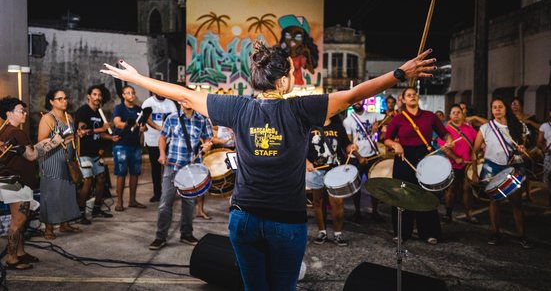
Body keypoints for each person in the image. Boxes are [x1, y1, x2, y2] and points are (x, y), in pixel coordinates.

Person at [101, 41, 436, 290]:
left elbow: (183, 95)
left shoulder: (237, 108)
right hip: (285, 223)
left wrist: (138, 77)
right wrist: (399, 74)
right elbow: (353, 95)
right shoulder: (301, 110)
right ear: (283, 80)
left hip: (243, 219)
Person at [0, 96, 66, 270]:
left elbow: (26, 151)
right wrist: (54, 143)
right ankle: (11, 258)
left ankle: (20, 252)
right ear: (9, 114)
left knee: (22, 220)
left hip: (13, 181)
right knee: (18, 221)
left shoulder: (5, 131)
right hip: (15, 182)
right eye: (21, 111)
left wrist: (43, 143)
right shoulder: (17, 133)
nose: (25, 113)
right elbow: (31, 156)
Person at [384, 87, 453, 245]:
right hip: (404, 158)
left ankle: (429, 233)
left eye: (414, 94)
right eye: (409, 95)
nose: (412, 97)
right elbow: (387, 139)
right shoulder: (398, 119)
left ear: (418, 97)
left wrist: (449, 140)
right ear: (403, 100)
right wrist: (395, 144)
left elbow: (444, 133)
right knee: (402, 195)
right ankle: (402, 232)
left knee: (426, 195)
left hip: (425, 157)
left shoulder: (430, 117)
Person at [148, 100, 213, 250]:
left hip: (191, 167)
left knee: (189, 203)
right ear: (179, 100)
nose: (187, 102)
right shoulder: (172, 118)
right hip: (172, 165)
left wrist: (208, 144)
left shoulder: (202, 119)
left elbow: (208, 139)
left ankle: (186, 234)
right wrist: (162, 154)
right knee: (165, 203)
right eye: (184, 99)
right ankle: (160, 237)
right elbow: (163, 137)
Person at [471, 98, 532, 248]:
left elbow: (524, 148)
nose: (497, 109)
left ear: (506, 109)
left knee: (516, 203)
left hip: (513, 166)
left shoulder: (518, 126)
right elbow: (474, 151)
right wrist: (474, 172)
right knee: (495, 201)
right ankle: (495, 233)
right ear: (491, 110)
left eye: (500, 107)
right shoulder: (485, 128)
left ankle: (522, 235)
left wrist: (523, 150)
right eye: (494, 107)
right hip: (492, 168)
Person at [306, 115, 358, 246]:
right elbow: (300, 147)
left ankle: (338, 234)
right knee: (318, 202)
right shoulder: (309, 125)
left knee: (337, 202)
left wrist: (351, 147)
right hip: (316, 169)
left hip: (336, 169)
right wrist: (306, 162)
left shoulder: (338, 126)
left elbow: (346, 145)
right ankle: (322, 232)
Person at [38, 89, 82, 240]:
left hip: (67, 159)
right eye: (60, 99)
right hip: (52, 160)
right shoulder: (48, 119)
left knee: (67, 192)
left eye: (65, 98)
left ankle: (64, 223)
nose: (64, 101)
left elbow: (72, 138)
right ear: (51, 101)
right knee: (52, 194)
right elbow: (41, 143)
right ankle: (48, 228)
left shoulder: (69, 117)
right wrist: (60, 140)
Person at [74, 85, 118, 224]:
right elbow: (81, 132)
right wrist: (101, 128)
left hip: (95, 152)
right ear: (89, 96)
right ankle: (80, 213)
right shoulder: (83, 111)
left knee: (101, 179)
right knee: (87, 181)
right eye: (94, 94)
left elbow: (101, 133)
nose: (97, 97)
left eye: (99, 95)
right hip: (84, 153)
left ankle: (97, 208)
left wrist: (111, 138)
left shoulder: (99, 112)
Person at [343, 100, 385, 222]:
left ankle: (375, 211)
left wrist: (380, 125)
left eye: (360, 100)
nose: (357, 102)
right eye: (355, 100)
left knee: (374, 184)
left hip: (372, 155)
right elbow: (349, 142)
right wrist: (359, 156)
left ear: (364, 101)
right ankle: (357, 212)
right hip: (356, 158)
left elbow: (391, 118)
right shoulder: (348, 121)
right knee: (355, 186)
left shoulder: (373, 115)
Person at [438, 104, 478, 223]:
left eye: (458, 112)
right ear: (449, 115)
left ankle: (469, 214)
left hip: (467, 165)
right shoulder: (445, 130)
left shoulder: (469, 129)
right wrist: (455, 158)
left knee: (467, 189)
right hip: (451, 165)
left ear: (463, 114)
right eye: (453, 112)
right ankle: (448, 214)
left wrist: (482, 147)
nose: (456, 114)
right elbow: (443, 148)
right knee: (451, 189)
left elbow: (477, 142)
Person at [111, 85, 147, 211]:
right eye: (128, 93)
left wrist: (142, 127)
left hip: (135, 145)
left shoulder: (139, 109)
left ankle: (132, 201)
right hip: (121, 145)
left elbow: (144, 126)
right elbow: (117, 123)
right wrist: (132, 125)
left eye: (132, 92)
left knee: (135, 173)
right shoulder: (119, 108)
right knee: (121, 173)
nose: (131, 95)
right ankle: (119, 202)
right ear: (123, 95)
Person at [142, 92, 177, 202]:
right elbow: (146, 117)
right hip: (152, 140)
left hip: (169, 140)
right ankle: (157, 193)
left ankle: (170, 192)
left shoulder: (170, 103)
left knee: (170, 168)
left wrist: (168, 129)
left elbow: (175, 118)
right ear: (153, 91)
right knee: (156, 169)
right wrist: (158, 127)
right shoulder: (148, 102)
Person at [537, 109, 551, 207]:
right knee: (549, 180)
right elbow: (539, 142)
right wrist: (543, 148)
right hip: (549, 155)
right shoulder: (544, 126)